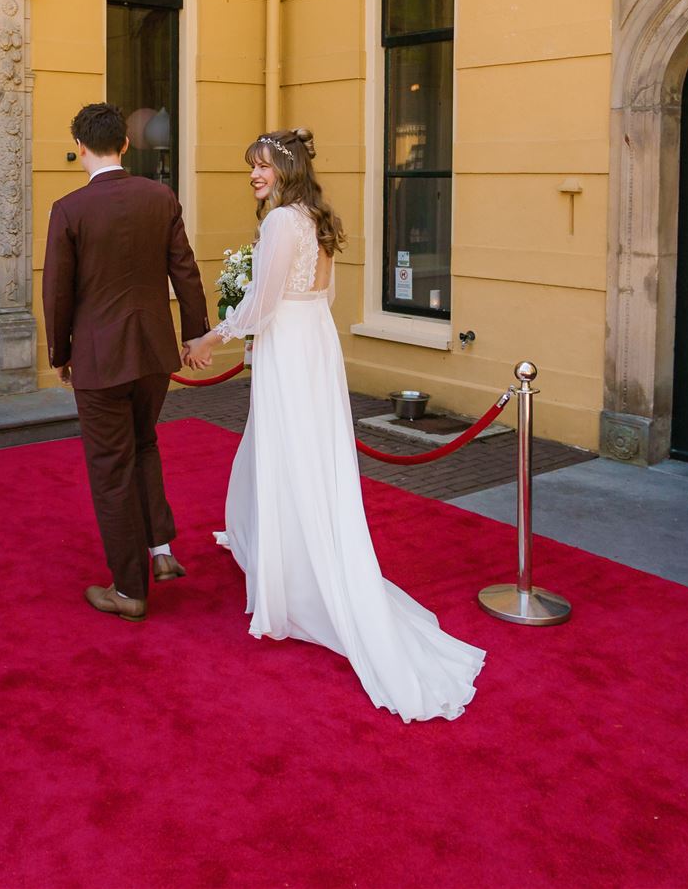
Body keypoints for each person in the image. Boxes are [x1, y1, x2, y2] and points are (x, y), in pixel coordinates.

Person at [184, 128, 485, 721]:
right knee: (307, 457)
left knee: (286, 456)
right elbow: (321, 294)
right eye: (252, 167)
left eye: (262, 167)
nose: (254, 176)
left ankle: (294, 582)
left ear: (286, 169)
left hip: (290, 347)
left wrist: (210, 337)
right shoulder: (315, 218)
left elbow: (264, 306)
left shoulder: (278, 224)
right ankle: (291, 556)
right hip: (314, 345)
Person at [42, 102, 209, 622]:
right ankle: (159, 550)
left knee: (110, 468)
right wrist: (195, 335)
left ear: (80, 148)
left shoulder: (69, 209)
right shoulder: (160, 197)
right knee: (143, 443)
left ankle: (129, 588)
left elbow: (57, 293)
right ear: (126, 145)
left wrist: (60, 353)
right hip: (154, 351)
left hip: (99, 357)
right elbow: (186, 272)